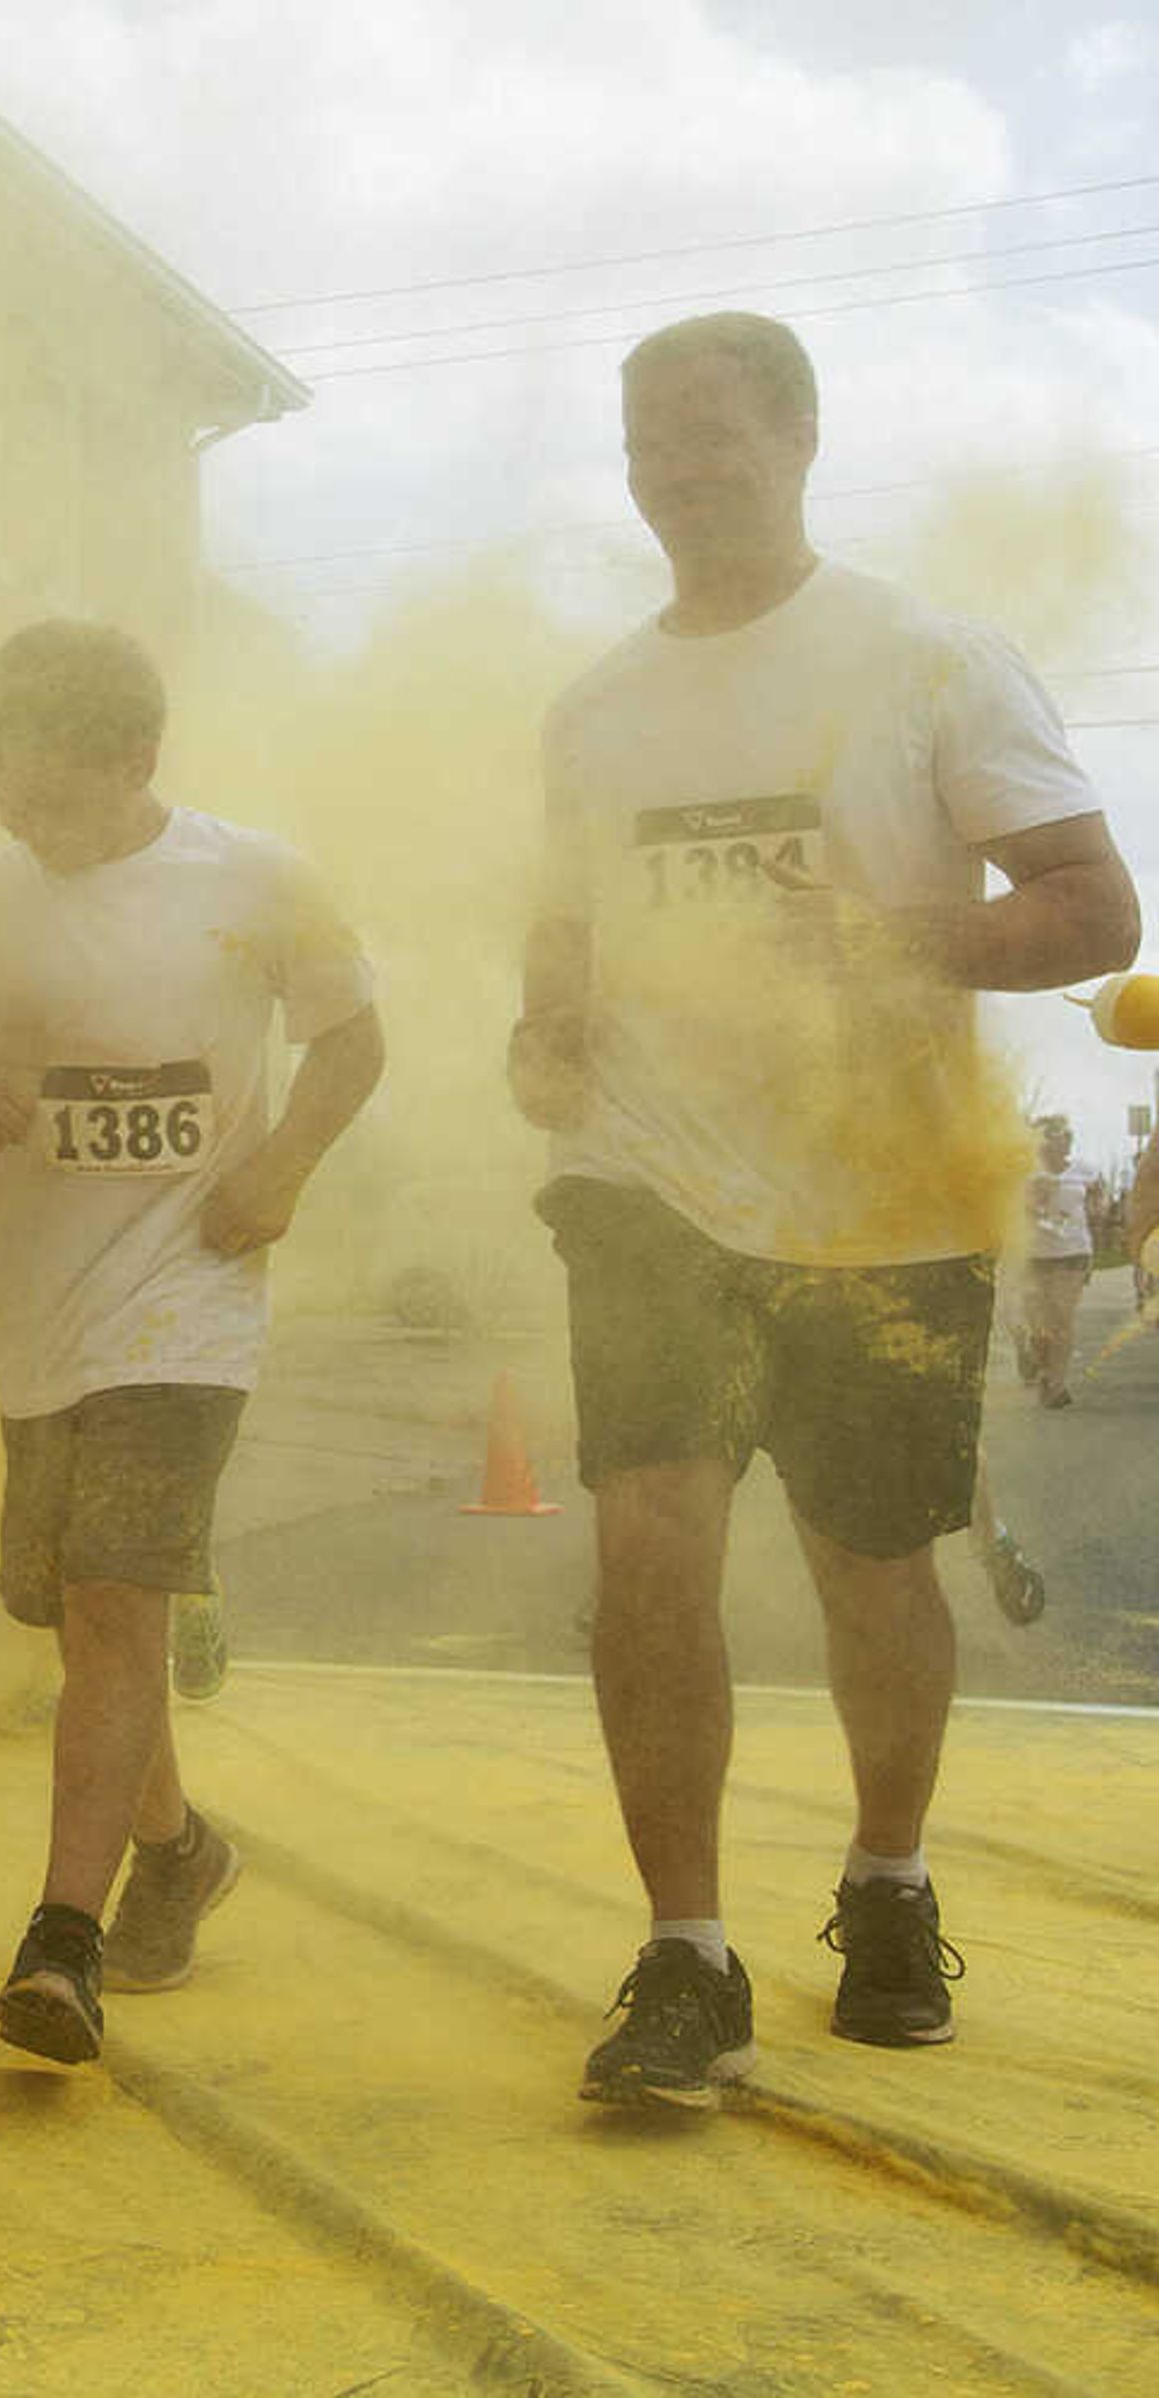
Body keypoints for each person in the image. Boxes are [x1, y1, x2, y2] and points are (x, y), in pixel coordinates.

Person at [510, 314, 1137, 2108]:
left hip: (878, 1198)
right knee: (650, 1549)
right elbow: (563, 927)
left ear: (797, 438)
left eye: (708, 436)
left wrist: (893, 942)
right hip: (642, 1191)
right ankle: (688, 1953)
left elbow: (1097, 911)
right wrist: (545, 1029)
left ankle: (883, 1878)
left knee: (872, 1571)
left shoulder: (927, 657)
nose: (674, 472)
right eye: (645, 441)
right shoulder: (593, 709)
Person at [0, 619, 383, 2068]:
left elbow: (353, 1041)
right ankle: (175, 1845)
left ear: (133, 757)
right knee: (70, 1609)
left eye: (41, 785)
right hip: (43, 1304)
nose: (15, 813)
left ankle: (63, 1936)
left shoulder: (260, 877)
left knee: (116, 1598)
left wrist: (280, 1167)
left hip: (192, 1294)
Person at [1012, 1115, 1107, 1408]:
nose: (1062, 1143)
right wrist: (1034, 1202)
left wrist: (1097, 1208)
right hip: (1034, 1255)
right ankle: (1041, 1364)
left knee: (1062, 1319)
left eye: (1066, 1137)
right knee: (1038, 1325)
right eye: (1054, 1137)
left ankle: (1055, 1385)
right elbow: (1012, 1209)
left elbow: (1098, 1199)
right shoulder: (1025, 1172)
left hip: (1073, 1254)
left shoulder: (1085, 1171)